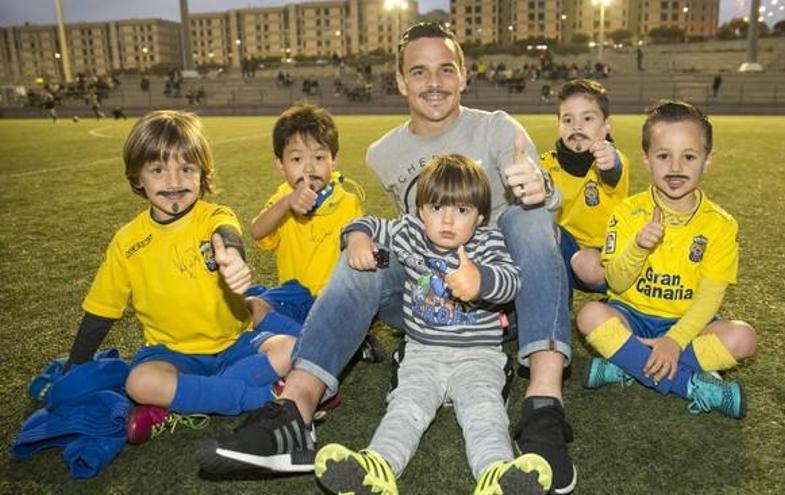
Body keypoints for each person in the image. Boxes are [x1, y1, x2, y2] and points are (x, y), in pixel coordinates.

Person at [200, 22, 578, 495]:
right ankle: (294, 411)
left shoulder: (498, 129)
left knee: (530, 216)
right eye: (419, 72)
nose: (434, 83)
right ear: (400, 81)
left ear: (463, 76)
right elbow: (403, 234)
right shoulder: (385, 153)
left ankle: (543, 406)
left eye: (445, 70)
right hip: (429, 302)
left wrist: (540, 190)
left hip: (506, 295)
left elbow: (544, 203)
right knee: (366, 256)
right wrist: (358, 237)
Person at [313, 154, 552, 495]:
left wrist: (480, 280)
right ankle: (376, 468)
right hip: (422, 353)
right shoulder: (409, 233)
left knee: (484, 412)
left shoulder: (487, 242)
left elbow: (512, 282)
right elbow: (366, 224)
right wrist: (358, 240)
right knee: (407, 407)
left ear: (480, 217)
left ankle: (497, 475)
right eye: (437, 208)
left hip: (478, 356)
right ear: (421, 210)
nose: (448, 220)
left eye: (462, 211)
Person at [61, 110, 297, 445]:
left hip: (234, 346)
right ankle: (255, 396)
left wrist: (230, 256)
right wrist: (76, 363)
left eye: (186, 169)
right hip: (170, 354)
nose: (174, 182)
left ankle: (181, 403)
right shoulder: (127, 242)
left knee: (291, 347)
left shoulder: (213, 216)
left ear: (202, 174)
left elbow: (226, 234)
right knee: (139, 382)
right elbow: (102, 310)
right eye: (158, 170)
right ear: (138, 177)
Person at [576, 100, 758, 419]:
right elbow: (615, 282)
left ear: (707, 160)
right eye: (663, 156)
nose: (676, 167)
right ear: (647, 159)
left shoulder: (720, 224)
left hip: (686, 322)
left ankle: (627, 363)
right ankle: (691, 386)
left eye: (689, 156)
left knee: (743, 338)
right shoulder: (629, 212)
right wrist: (638, 247)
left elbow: (709, 298)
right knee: (590, 315)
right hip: (631, 315)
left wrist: (674, 340)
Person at [245, 103, 381, 388]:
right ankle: (326, 346)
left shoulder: (347, 202)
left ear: (334, 161)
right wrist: (287, 204)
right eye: (296, 159)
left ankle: (307, 351)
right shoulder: (282, 199)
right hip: (294, 298)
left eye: (319, 157)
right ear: (280, 166)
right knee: (252, 305)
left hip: (333, 299)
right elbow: (258, 231)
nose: (309, 168)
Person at [540, 79, 630, 293]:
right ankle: (556, 300)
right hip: (565, 247)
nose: (577, 126)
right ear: (558, 125)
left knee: (585, 263)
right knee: (534, 231)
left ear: (606, 126)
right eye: (567, 119)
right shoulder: (545, 164)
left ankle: (623, 297)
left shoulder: (610, 159)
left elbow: (613, 169)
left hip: (605, 254)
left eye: (587, 118)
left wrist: (611, 161)